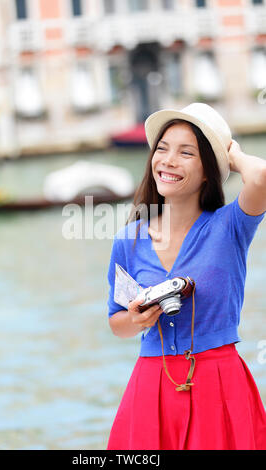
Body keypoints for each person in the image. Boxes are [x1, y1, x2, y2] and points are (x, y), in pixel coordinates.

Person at [106, 103, 266, 450]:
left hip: (220, 382)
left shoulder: (230, 226)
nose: (168, 160)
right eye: (162, 149)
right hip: (151, 385)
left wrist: (232, 155)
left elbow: (260, 177)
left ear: (208, 169)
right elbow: (116, 322)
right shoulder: (128, 240)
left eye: (186, 153)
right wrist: (138, 319)